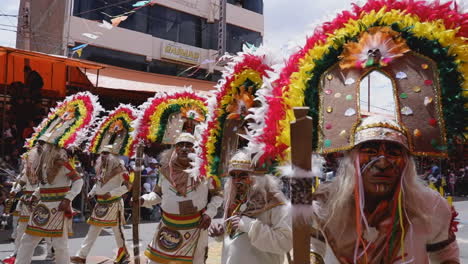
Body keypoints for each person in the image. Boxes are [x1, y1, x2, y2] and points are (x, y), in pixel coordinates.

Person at [308, 116, 460, 263]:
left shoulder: (429, 205)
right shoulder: (325, 202)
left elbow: (444, 255)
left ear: (407, 163)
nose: (382, 163)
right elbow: (312, 246)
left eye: (393, 153)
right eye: (370, 151)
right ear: (351, 159)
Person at [140, 133, 223, 264]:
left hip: (196, 227)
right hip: (168, 227)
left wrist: (209, 214)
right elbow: (157, 195)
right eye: (180, 145)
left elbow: (218, 195)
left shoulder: (206, 171)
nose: (184, 148)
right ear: (175, 149)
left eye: (189, 145)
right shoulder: (165, 171)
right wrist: (143, 200)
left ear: (195, 149)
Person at [209, 151, 292, 264]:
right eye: (233, 176)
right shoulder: (235, 199)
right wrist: (220, 233)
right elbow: (234, 238)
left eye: (243, 175)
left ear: (257, 176)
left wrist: (249, 225)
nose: (237, 181)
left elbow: (285, 243)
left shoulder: (274, 201)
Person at [14, 136, 83, 264]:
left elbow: (79, 180)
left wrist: (68, 199)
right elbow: (44, 186)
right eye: (39, 143)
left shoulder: (63, 163)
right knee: (28, 239)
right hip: (42, 206)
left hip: (59, 207)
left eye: (43, 143)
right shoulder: (43, 165)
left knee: (59, 245)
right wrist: (35, 195)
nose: (41, 146)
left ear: (52, 146)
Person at [71, 146, 130, 264]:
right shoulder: (102, 168)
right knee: (93, 230)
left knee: (118, 231)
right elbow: (98, 184)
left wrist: (112, 193)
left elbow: (128, 186)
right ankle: (81, 256)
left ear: (113, 154)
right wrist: (92, 193)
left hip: (114, 203)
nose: (103, 155)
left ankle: (124, 253)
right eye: (102, 153)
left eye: (106, 153)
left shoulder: (120, 169)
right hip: (100, 204)